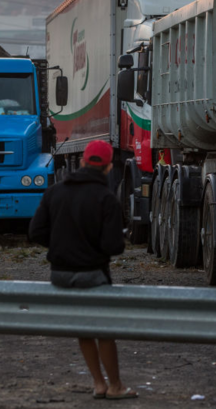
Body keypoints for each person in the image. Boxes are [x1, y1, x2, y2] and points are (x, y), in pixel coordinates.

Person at [28, 139, 138, 400]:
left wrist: (60, 244)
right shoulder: (106, 199)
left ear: (82, 162)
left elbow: (35, 232)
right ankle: (115, 386)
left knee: (84, 329)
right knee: (105, 330)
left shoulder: (55, 192)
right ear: (109, 168)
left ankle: (98, 384)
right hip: (93, 275)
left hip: (61, 275)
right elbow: (114, 246)